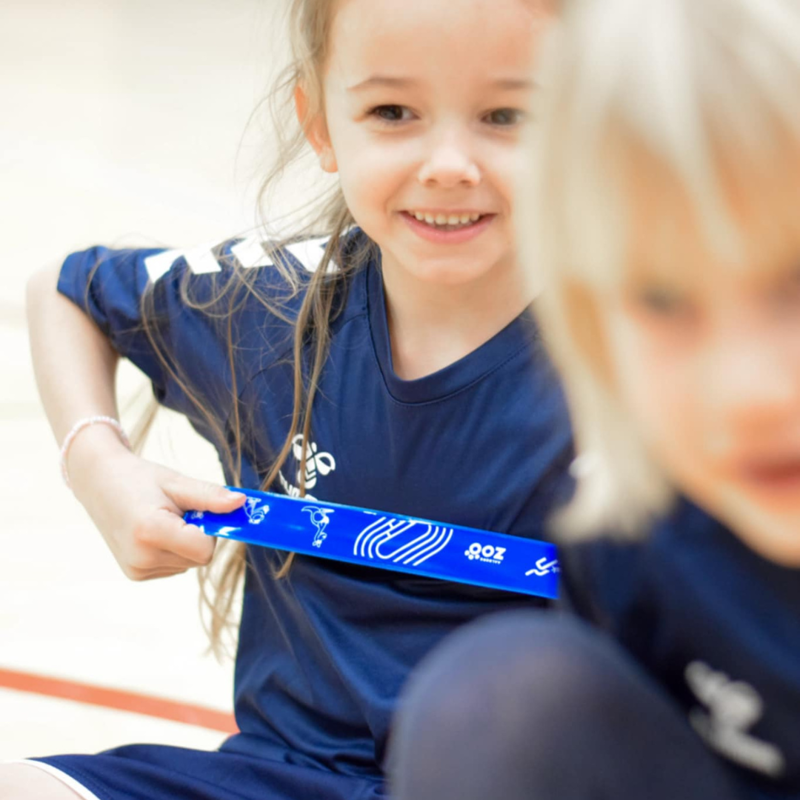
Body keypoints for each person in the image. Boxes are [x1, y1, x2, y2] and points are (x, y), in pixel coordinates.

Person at [0, 0, 571, 798]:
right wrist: (96, 463)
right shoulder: (268, 310)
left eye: (507, 113)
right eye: (393, 111)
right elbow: (65, 290)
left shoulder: (665, 359)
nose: (448, 163)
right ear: (320, 121)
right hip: (280, 779)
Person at [388, 0, 800, 798]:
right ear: (591, 326)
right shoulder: (637, 542)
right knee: (501, 705)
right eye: (662, 301)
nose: (751, 390)